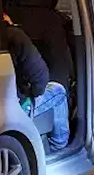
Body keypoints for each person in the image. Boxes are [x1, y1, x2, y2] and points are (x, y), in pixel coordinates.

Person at [4, 12, 70, 151]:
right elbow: (40, 80)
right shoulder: (14, 37)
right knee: (58, 91)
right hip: (14, 109)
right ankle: (58, 145)